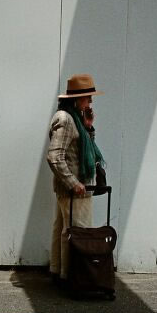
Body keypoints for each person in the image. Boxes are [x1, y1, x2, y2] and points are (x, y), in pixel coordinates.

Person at [46, 74, 105, 285]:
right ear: (76, 99)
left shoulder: (75, 118)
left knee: (63, 229)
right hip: (75, 190)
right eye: (88, 97)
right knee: (77, 232)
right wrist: (74, 183)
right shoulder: (65, 119)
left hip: (72, 188)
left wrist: (88, 126)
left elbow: (84, 149)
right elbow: (54, 156)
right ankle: (72, 277)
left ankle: (59, 272)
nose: (90, 102)